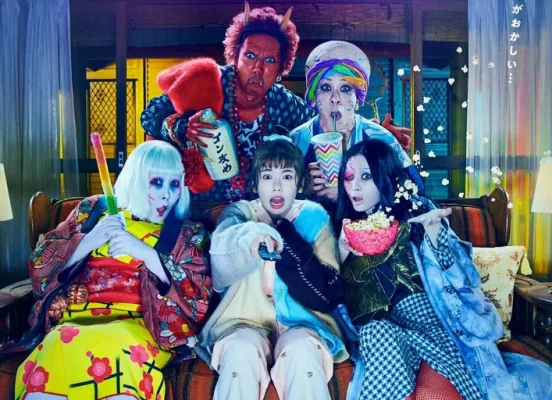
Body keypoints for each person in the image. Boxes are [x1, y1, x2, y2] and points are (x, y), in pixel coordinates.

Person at [335, 139, 552, 400]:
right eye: (348, 178)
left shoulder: (418, 212)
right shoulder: (340, 230)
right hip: (385, 335)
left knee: (433, 394)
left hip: (433, 323)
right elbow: (331, 298)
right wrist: (341, 254)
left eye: (366, 176)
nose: (354, 187)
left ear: (385, 175)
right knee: (376, 331)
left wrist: (436, 235)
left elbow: (464, 279)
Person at [140, 4, 408, 203]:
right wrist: (181, 127)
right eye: (250, 56)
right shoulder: (208, 82)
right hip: (200, 207)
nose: (257, 68)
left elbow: (325, 118)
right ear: (235, 55)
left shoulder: (284, 103)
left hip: (264, 212)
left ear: (281, 68)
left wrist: (374, 133)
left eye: (269, 60)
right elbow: (150, 114)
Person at [13, 141, 212, 399]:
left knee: (118, 350)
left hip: (138, 327)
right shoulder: (92, 211)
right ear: (136, 179)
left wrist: (147, 254)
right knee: (58, 343)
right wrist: (89, 241)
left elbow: (198, 297)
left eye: (174, 184)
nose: (166, 195)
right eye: (156, 182)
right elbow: (40, 266)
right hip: (74, 320)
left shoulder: (187, 233)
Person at [196, 137, 347, 400]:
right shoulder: (239, 214)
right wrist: (253, 238)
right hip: (243, 322)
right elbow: (221, 259)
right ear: (255, 184)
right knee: (240, 352)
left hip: (305, 323)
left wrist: (287, 239)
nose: (276, 187)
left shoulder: (314, 217)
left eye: (286, 177)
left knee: (303, 353)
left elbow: (325, 293)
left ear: (299, 184)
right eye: (267, 177)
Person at [290, 40, 416, 203]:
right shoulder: (296, 141)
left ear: (358, 100)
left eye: (345, 89)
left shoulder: (382, 139)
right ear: (313, 99)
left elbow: (414, 193)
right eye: (326, 88)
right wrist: (303, 187)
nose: (335, 99)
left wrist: (350, 192)